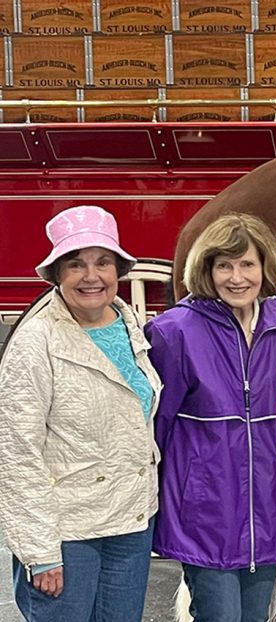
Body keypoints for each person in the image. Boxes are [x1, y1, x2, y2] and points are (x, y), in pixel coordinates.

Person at [0, 205, 161, 621]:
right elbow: (16, 453)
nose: (92, 276)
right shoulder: (36, 341)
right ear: (56, 275)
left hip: (130, 523)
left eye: (103, 262)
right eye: (76, 265)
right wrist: (38, 550)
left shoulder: (128, 324)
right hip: (66, 534)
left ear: (119, 269)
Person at [144, 213, 276, 621]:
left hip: (268, 506)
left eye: (247, 264)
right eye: (224, 265)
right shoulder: (174, 331)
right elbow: (156, 426)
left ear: (265, 267)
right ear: (206, 269)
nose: (236, 277)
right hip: (204, 511)